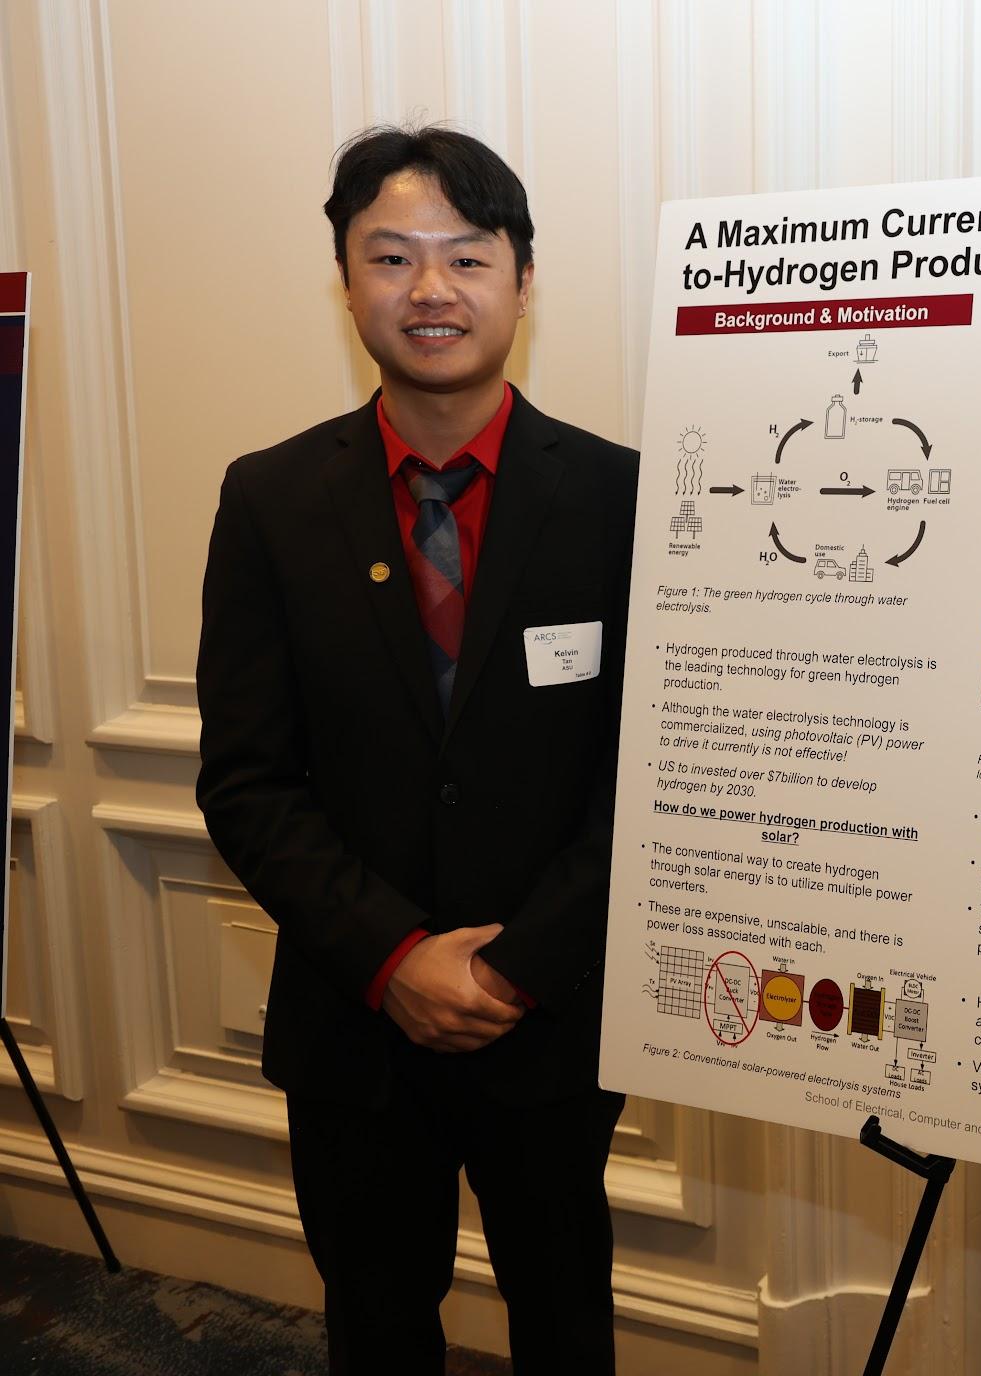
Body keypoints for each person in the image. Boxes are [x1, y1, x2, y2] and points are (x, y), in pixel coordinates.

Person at [195, 124, 636, 1374]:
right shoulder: (271, 499)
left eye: (467, 256)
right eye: (391, 257)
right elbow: (247, 779)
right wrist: (393, 956)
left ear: (523, 279)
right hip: (354, 1020)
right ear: (346, 283)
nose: (430, 289)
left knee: (567, 1317)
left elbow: (651, 778)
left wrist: (517, 965)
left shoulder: (625, 499)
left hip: (550, 1017)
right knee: (376, 1324)